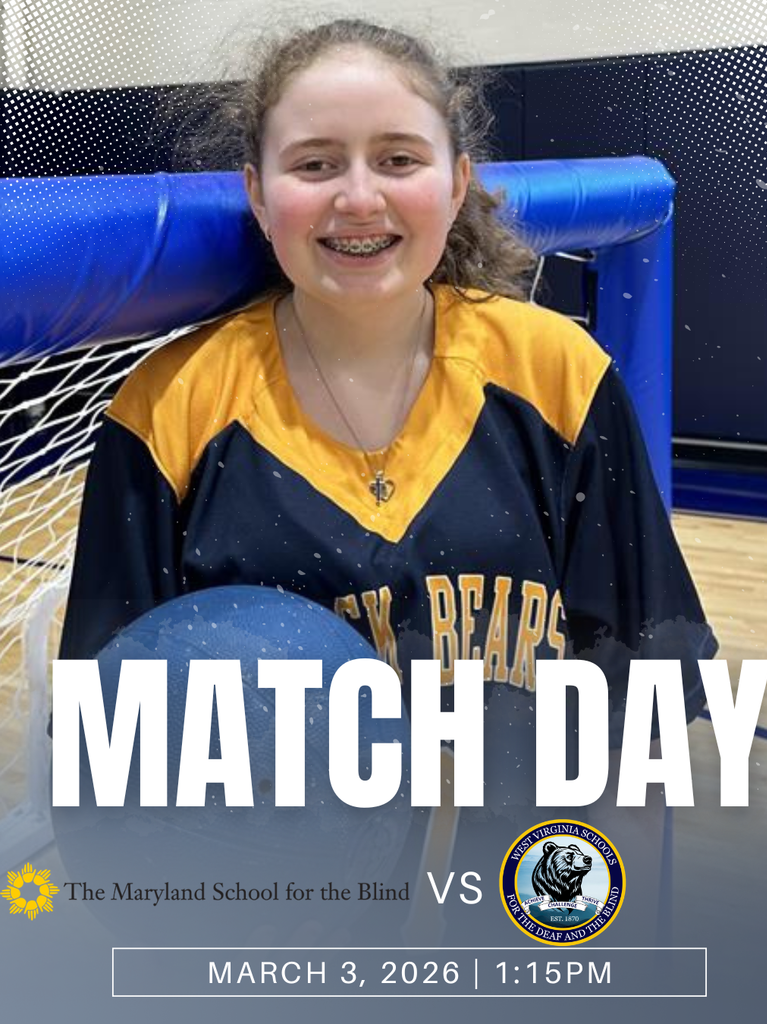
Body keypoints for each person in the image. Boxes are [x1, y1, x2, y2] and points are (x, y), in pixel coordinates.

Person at [57, 17, 716, 940]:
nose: (358, 198)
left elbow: (640, 714)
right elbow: (107, 754)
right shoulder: (169, 408)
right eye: (315, 163)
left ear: (457, 181)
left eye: (398, 158)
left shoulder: (555, 374)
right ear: (257, 191)